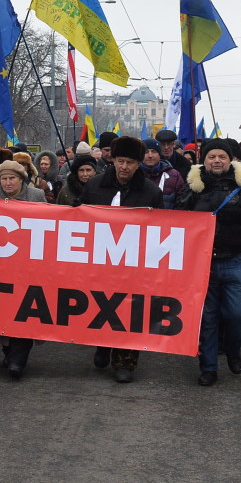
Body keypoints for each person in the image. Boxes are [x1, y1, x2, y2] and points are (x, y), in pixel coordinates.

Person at [177, 139, 241, 387]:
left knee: (238, 313)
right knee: (207, 318)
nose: (217, 161)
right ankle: (208, 367)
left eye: (222, 156)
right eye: (212, 157)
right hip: (202, 264)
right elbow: (177, 217)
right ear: (204, 160)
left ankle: (233, 351)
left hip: (236, 260)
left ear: (231, 159)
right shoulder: (193, 187)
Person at [79, 136, 165, 383]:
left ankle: (125, 361)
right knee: (100, 305)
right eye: (120, 161)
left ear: (139, 164)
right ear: (113, 160)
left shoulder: (151, 193)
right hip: (99, 260)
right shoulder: (95, 185)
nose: (124, 167)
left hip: (133, 263)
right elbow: (78, 216)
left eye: (130, 162)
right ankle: (102, 345)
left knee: (129, 309)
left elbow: (160, 228)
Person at [141, 139, 184, 208]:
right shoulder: (134, 175)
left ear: (159, 155)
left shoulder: (174, 175)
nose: (150, 155)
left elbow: (181, 202)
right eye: (146, 152)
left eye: (154, 151)